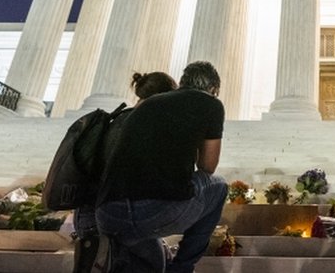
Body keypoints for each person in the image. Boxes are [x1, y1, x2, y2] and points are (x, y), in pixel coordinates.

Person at [96, 61, 228, 273]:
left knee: (158, 262)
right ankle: (183, 268)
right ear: (213, 90)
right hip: (152, 212)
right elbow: (207, 166)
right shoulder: (211, 104)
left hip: (109, 215)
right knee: (219, 187)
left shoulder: (148, 103)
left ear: (183, 82)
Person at [73, 71, 178, 273]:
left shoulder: (115, 121)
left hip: (86, 218)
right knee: (155, 261)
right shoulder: (148, 127)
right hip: (115, 221)